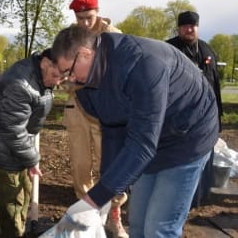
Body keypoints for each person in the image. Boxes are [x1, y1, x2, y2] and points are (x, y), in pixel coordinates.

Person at [51, 25, 219, 238]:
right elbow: (112, 130)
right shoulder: (87, 84)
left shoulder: (142, 64)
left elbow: (142, 146)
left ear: (85, 54)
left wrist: (91, 200)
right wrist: (104, 194)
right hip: (148, 135)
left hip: (188, 136)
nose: (70, 79)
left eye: (69, 71)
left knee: (158, 228)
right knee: (138, 225)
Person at [65, 0, 128, 237]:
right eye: (79, 18)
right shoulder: (70, 37)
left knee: (111, 165)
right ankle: (89, 220)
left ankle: (114, 217)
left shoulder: (114, 36)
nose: (84, 23)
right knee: (81, 165)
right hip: (78, 108)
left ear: (98, 11)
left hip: (106, 111)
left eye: (88, 17)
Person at [0, 49, 62, 238]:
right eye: (55, 75)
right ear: (45, 63)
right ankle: (13, 233)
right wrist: (32, 159)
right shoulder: (21, 84)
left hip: (17, 150)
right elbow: (13, 130)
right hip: (4, 151)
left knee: (24, 193)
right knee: (12, 203)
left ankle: (17, 230)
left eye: (62, 77)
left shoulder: (39, 78)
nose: (57, 82)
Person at [166, 10, 223, 207]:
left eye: (193, 26)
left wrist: (218, 116)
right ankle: (178, 198)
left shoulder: (207, 50)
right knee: (181, 157)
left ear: (197, 27)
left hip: (206, 115)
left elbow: (215, 84)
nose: (189, 29)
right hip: (179, 117)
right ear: (179, 28)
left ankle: (201, 196)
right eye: (185, 26)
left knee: (205, 154)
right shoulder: (169, 49)